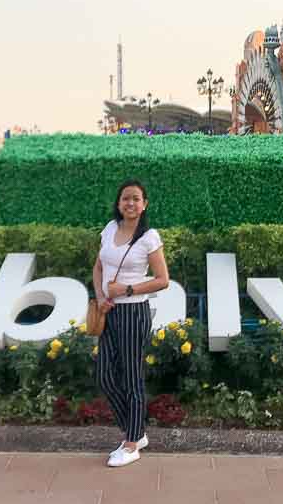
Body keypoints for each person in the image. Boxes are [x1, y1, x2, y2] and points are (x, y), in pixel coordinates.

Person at [92, 180, 169, 468]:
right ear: (119, 202)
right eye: (126, 198)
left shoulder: (149, 237)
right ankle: (136, 430)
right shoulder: (110, 229)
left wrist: (125, 290)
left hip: (133, 314)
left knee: (132, 377)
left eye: (136, 199)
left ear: (144, 204)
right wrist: (101, 296)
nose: (130, 203)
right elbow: (99, 266)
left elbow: (163, 280)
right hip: (109, 312)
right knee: (104, 376)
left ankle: (132, 444)